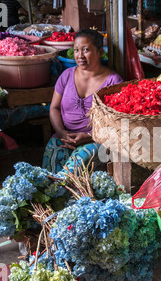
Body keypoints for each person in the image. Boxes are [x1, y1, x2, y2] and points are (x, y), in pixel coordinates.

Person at [42, 29, 124, 175]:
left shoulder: (113, 82)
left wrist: (89, 136)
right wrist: (62, 133)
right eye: (76, 50)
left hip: (97, 141)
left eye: (86, 50)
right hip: (65, 137)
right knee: (51, 156)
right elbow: (54, 108)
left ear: (100, 52)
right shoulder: (67, 75)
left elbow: (118, 123)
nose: (80, 56)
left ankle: (70, 195)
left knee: (75, 165)